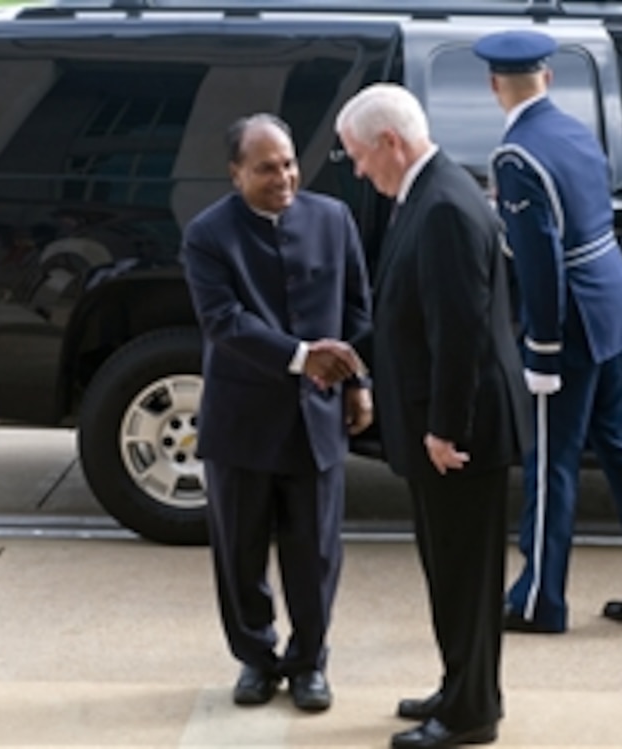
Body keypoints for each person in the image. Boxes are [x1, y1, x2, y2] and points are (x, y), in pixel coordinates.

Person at [474, 30, 622, 633]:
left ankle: (540, 598)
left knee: (552, 464)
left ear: (495, 85)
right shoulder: (576, 133)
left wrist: (541, 349)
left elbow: (541, 262)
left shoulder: (516, 157)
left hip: (568, 325)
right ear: (546, 78)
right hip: (612, 307)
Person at [336, 84, 529, 749]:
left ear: (391, 142)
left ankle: (472, 712)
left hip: (459, 433)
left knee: (465, 577)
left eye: (359, 156)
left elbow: (461, 332)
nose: (359, 171)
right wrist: (347, 356)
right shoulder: (429, 191)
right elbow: (408, 311)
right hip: (440, 424)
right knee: (448, 570)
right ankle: (460, 684)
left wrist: (444, 427)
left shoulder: (443, 204)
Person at [181, 113, 373, 713]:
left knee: (315, 553)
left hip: (317, 419)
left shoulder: (332, 219)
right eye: (266, 168)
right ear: (236, 173)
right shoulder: (208, 235)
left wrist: (358, 381)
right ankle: (256, 659)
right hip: (242, 419)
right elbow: (224, 323)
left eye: (289, 163)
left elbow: (358, 313)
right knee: (240, 553)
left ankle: (310, 661)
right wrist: (301, 358)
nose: (283, 177)